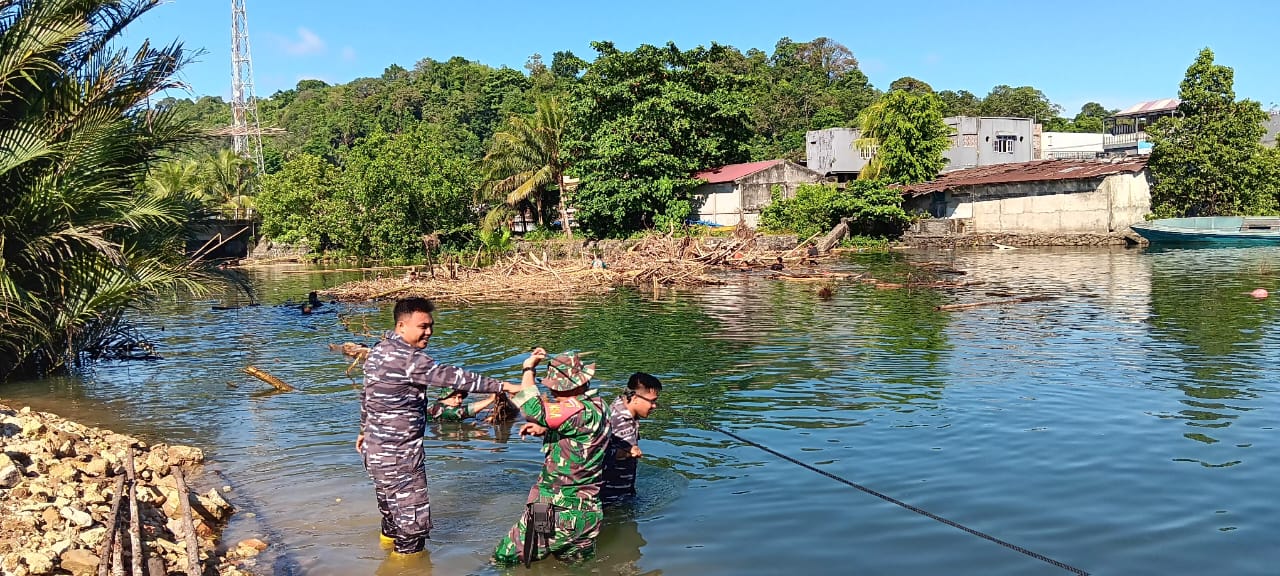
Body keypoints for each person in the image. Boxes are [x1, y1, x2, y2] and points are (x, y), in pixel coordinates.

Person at [356, 297, 525, 559]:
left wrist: (363, 430)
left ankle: (383, 553)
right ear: (401, 325)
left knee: (391, 514)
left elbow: (366, 395)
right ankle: (404, 568)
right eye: (422, 326)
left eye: (431, 326)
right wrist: (503, 386)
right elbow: (455, 377)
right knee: (413, 528)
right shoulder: (409, 359)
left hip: (374, 451)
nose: (429, 332)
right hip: (400, 456)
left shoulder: (378, 350)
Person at [493, 350, 611, 566]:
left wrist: (528, 367)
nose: (551, 390)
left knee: (505, 558)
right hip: (587, 514)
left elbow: (532, 408)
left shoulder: (575, 410)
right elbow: (578, 434)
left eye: (553, 386)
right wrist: (546, 429)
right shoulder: (599, 407)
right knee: (576, 569)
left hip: (553, 508)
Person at [600, 372, 663, 505]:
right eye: (652, 401)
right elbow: (597, 454)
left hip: (624, 492)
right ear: (634, 398)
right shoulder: (615, 418)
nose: (654, 406)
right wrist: (626, 452)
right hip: (609, 497)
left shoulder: (630, 414)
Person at [427, 390, 501, 422]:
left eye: (460, 397)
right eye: (453, 397)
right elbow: (458, 412)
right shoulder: (436, 407)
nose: (458, 401)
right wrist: (490, 400)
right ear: (443, 398)